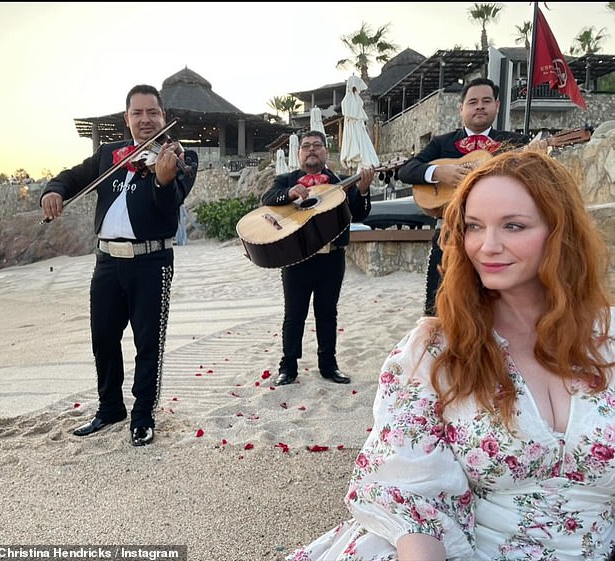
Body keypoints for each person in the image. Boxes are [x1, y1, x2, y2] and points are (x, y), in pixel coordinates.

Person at [285, 150, 615, 560]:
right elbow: (410, 492)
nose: (487, 246)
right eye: (474, 227)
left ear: (559, 232)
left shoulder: (609, 339)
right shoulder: (436, 349)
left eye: (513, 225)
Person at [40, 84, 198, 446]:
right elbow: (72, 177)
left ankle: (143, 416)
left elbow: (169, 204)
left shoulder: (178, 156)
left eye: (152, 113)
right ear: (126, 118)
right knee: (104, 338)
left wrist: (162, 178)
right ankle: (110, 406)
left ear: (162, 116)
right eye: (137, 113)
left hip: (151, 260)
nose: (146, 120)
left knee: (148, 343)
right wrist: (53, 190)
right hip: (107, 262)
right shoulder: (108, 153)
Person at [398, 77, 531, 316]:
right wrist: (439, 172)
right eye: (473, 102)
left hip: (498, 237)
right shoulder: (442, 143)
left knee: (495, 305)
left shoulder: (515, 143)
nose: (479, 106)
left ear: (497, 106)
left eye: (486, 101)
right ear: (462, 109)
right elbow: (406, 170)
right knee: (439, 305)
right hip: (449, 233)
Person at [261, 130, 374, 386]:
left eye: (317, 145)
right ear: (299, 153)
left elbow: (359, 214)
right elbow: (267, 199)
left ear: (326, 152)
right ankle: (288, 367)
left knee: (327, 313)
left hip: (331, 258)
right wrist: (289, 193)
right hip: (296, 258)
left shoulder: (342, 182)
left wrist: (363, 190)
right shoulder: (286, 180)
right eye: (306, 146)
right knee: (294, 315)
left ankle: (328, 365)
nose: (311, 149)